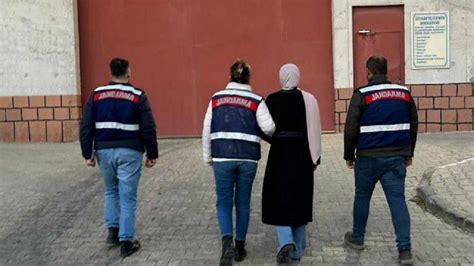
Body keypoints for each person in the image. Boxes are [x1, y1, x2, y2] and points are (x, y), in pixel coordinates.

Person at [80, 58, 158, 258]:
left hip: (104, 151)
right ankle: (126, 241)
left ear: (110, 73)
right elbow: (148, 127)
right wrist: (152, 154)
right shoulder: (138, 96)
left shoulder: (96, 95)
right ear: (128, 73)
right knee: (128, 196)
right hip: (130, 152)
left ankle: (112, 233)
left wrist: (87, 153)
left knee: (111, 191)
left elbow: (86, 126)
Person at [343, 56, 418, 265]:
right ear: (386, 71)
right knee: (398, 201)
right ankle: (405, 250)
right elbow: (413, 124)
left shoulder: (362, 95)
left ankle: (357, 238)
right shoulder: (404, 93)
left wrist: (349, 155)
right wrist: (409, 153)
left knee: (362, 197)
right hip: (396, 158)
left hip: (367, 158)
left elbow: (350, 128)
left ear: (369, 72)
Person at [202, 59, 275, 265]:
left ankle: (227, 245)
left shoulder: (216, 99)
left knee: (223, 202)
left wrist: (208, 157)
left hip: (222, 158)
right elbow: (269, 128)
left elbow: (206, 129)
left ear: (230, 76)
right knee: (243, 202)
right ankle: (240, 247)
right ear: (248, 78)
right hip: (247, 158)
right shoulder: (256, 100)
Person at [261, 63, 321, 264]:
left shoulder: (272, 99)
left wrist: (276, 140)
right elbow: (316, 129)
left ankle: (286, 240)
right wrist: (316, 157)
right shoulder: (309, 100)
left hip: (280, 154)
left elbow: (264, 128)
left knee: (279, 198)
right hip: (303, 154)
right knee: (300, 199)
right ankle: (297, 250)